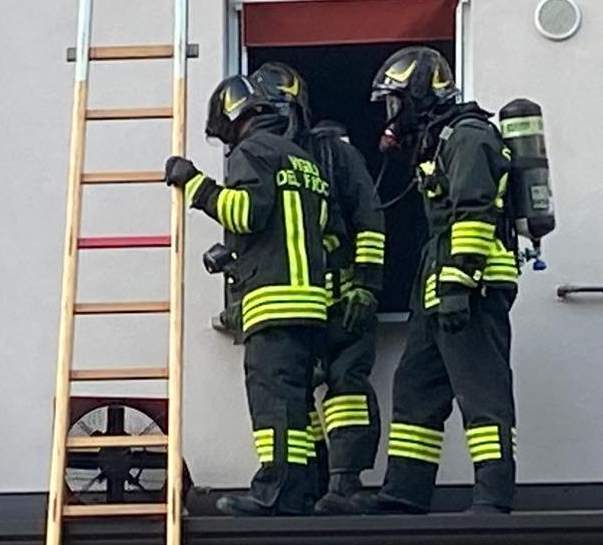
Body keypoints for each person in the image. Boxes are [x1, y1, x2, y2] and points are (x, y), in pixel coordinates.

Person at [356, 46, 521, 515]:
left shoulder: (468, 137)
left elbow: (473, 212)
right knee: (416, 387)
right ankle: (404, 493)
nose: (391, 113)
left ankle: (493, 495)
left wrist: (458, 284)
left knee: (481, 390)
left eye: (394, 101)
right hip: (439, 286)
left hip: (473, 287)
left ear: (417, 94)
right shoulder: (440, 141)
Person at [164, 75, 331, 516]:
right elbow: (305, 228)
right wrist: (238, 254)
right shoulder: (302, 160)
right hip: (312, 304)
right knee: (298, 406)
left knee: (273, 405)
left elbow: (247, 213)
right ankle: (308, 490)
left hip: (273, 302)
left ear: (234, 117)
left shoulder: (251, 152)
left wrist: (194, 185)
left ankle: (277, 494)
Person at [249, 62, 386, 515]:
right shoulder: (264, 159)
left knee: (346, 387)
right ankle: (305, 487)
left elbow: (369, 218)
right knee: (295, 396)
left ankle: (345, 485)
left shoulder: (333, 154)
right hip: (295, 301)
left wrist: (365, 285)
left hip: (343, 296)